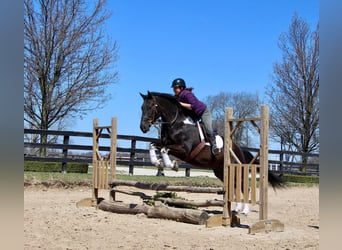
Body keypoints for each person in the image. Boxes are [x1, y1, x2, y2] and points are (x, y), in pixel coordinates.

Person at [171, 78, 219, 155]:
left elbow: (192, 107)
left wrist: (180, 104)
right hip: (193, 115)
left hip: (203, 112)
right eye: (173, 88)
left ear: (181, 88)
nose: (174, 90)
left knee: (208, 128)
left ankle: (214, 144)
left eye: (175, 88)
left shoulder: (187, 94)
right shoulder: (177, 97)